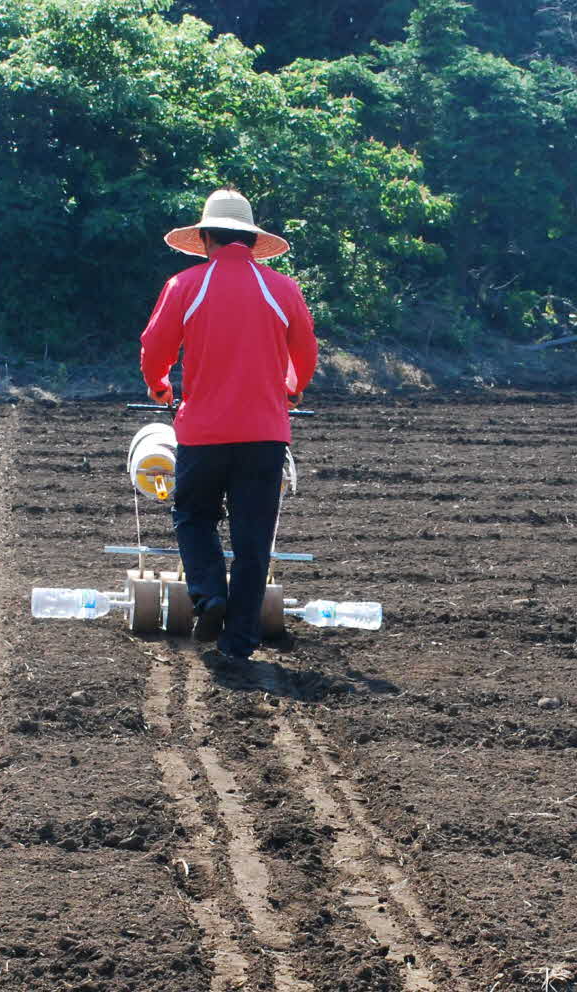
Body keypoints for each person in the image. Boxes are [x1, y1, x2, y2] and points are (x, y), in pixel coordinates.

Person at [139, 189, 318, 669]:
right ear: (252, 239)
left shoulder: (184, 285)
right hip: (265, 434)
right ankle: (240, 642)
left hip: (202, 432)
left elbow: (155, 349)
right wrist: (293, 387)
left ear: (203, 237)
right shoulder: (283, 290)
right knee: (253, 538)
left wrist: (159, 386)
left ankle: (208, 594)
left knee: (193, 516)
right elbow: (305, 356)